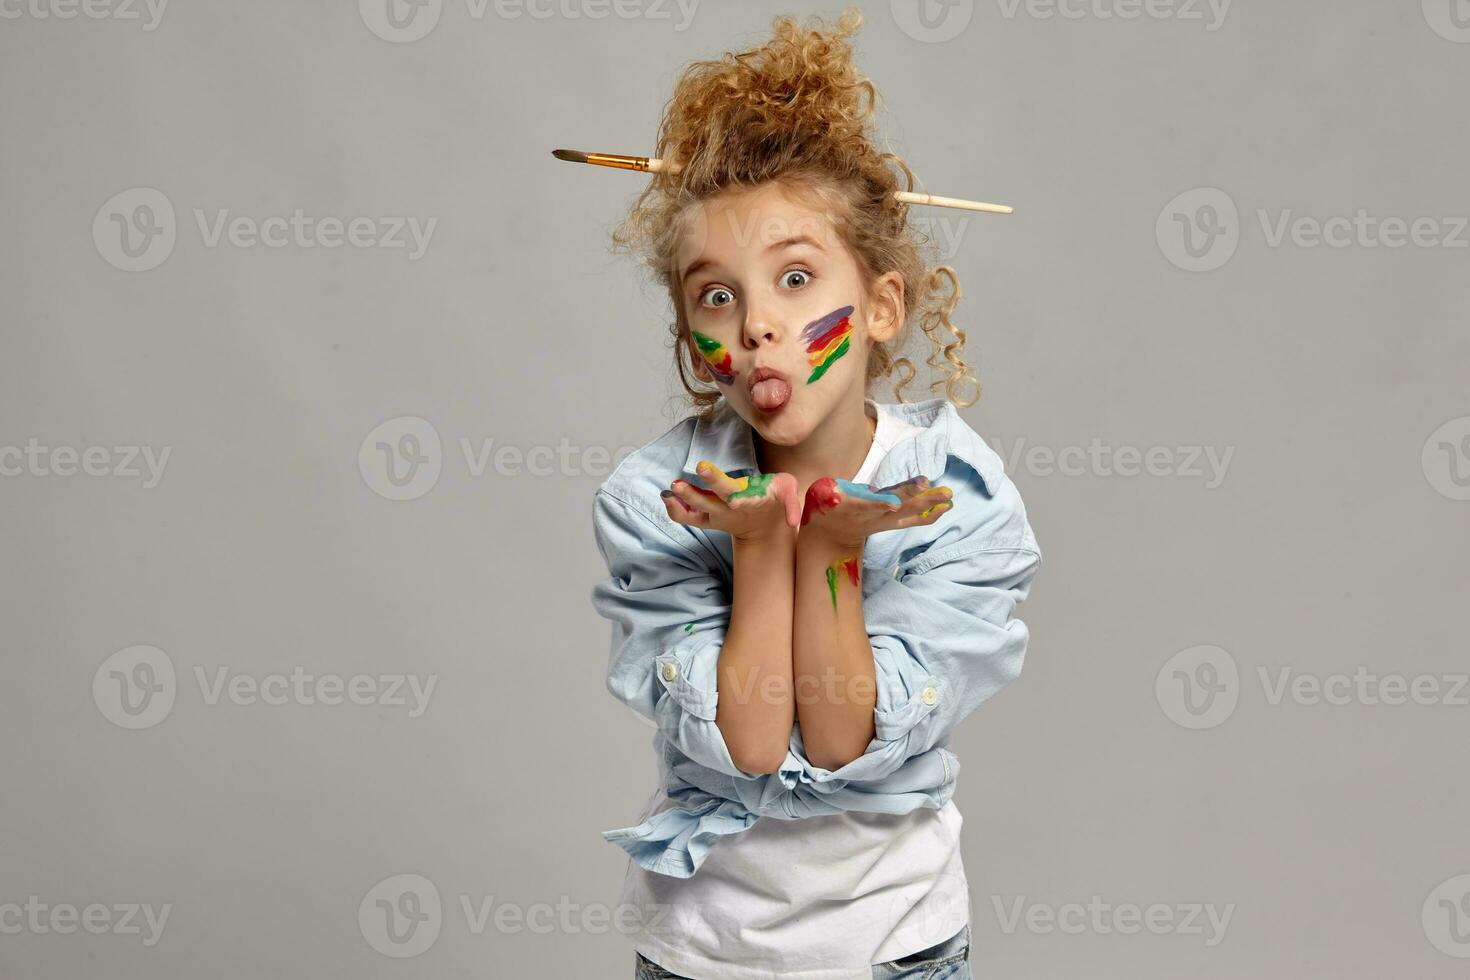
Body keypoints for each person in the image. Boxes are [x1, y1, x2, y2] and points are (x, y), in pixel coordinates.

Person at [587, 9, 1042, 978]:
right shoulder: (653, 496)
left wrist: (831, 550)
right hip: (702, 953)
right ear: (689, 339)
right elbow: (749, 746)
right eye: (718, 295)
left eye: (796, 277)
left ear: (881, 305)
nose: (757, 324)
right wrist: (761, 546)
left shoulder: (956, 493)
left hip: (896, 949)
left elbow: (841, 741)